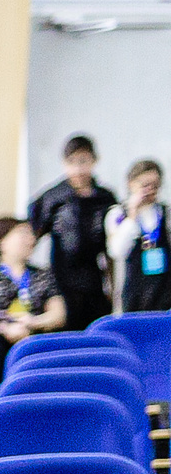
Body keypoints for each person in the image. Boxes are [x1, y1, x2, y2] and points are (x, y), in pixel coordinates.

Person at [29, 134, 118, 329]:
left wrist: (113, 288)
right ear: (64, 163)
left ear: (94, 160)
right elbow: (30, 239)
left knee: (97, 330)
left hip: (94, 280)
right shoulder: (52, 198)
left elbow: (112, 249)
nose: (78, 169)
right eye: (71, 162)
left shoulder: (106, 198)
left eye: (83, 161)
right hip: (61, 281)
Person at [0, 215, 66, 345]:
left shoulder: (43, 275)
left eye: (31, 235)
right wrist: (5, 328)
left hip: (35, 336)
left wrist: (34, 322)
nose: (31, 240)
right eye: (23, 234)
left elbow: (58, 314)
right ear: (2, 242)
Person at [109, 158, 169, 315]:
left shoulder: (165, 213)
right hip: (131, 296)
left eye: (155, 185)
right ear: (131, 184)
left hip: (163, 295)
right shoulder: (117, 214)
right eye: (144, 185)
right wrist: (132, 215)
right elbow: (116, 251)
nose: (150, 190)